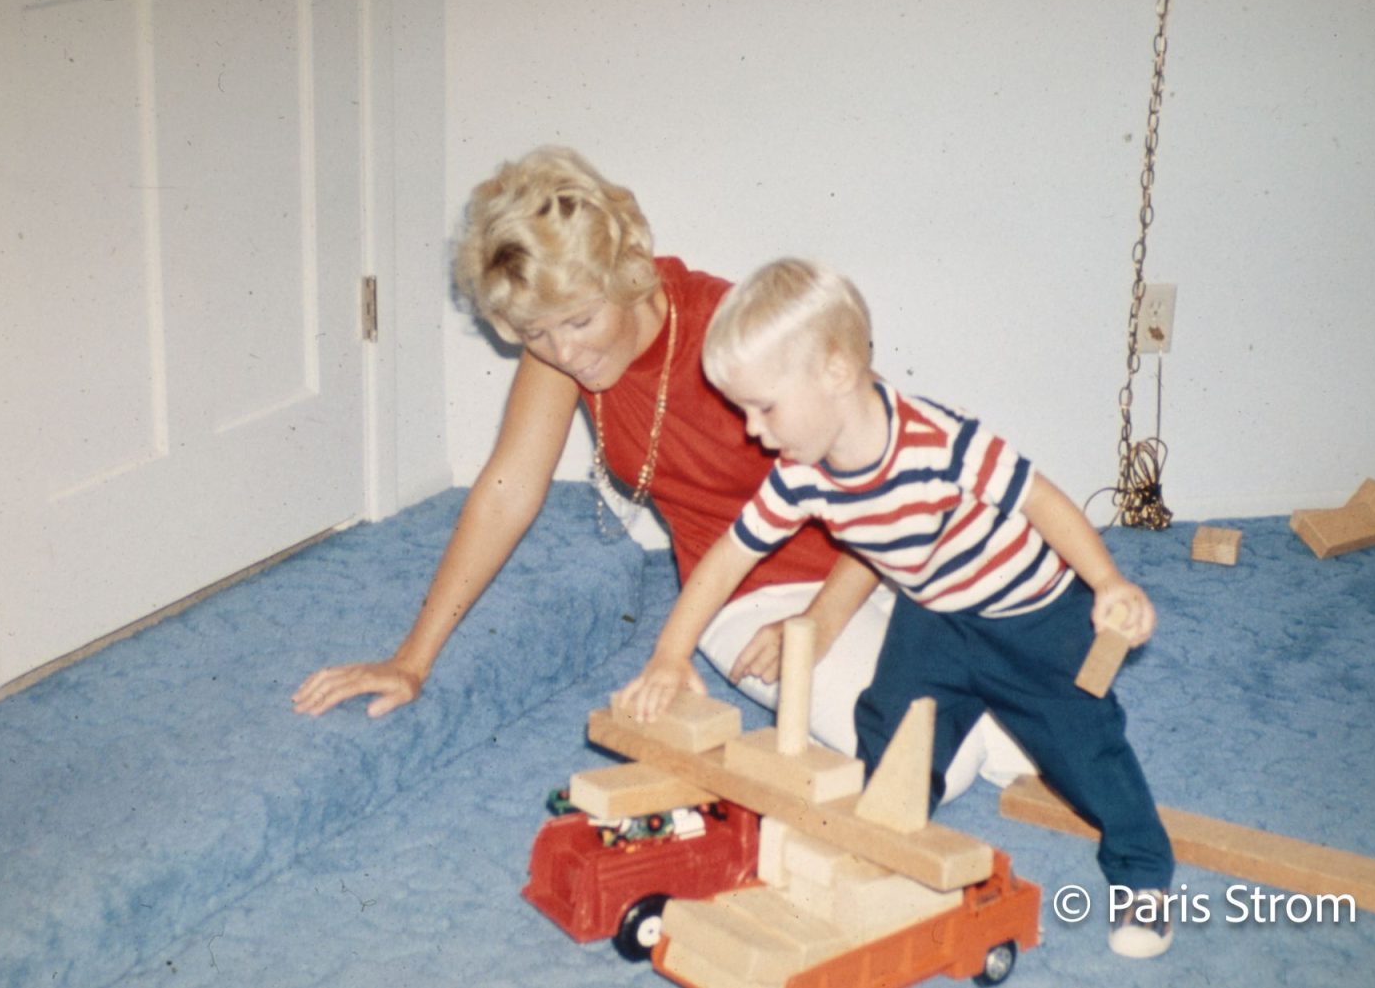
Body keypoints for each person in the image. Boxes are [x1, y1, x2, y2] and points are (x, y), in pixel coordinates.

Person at [291, 147, 1029, 797]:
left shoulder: (728, 333)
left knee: (1027, 720)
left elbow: (877, 471)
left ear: (628, 273)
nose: (564, 352)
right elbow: (505, 494)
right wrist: (412, 659)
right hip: (747, 594)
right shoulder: (557, 356)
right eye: (534, 332)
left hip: (875, 556)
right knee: (936, 761)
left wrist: (825, 620)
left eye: (579, 321)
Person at [616, 258, 1176, 959]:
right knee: (890, 726)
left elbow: (1040, 497)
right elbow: (729, 555)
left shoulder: (942, 442)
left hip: (1029, 616)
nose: (753, 432)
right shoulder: (801, 473)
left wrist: (1108, 582)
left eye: (764, 407)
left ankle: (1144, 875)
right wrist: (670, 653)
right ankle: (890, 837)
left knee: (1083, 749)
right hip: (933, 617)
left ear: (835, 370)